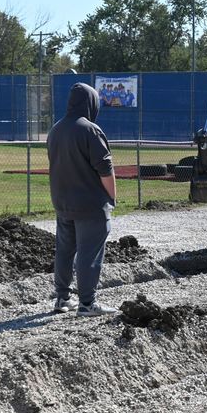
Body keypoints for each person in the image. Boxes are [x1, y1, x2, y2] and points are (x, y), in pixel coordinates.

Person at [46, 82, 118, 316]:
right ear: (91, 103)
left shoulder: (55, 129)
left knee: (65, 251)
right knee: (89, 254)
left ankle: (62, 298)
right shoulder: (90, 130)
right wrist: (112, 198)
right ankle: (87, 303)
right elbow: (105, 170)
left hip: (63, 203)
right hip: (90, 205)